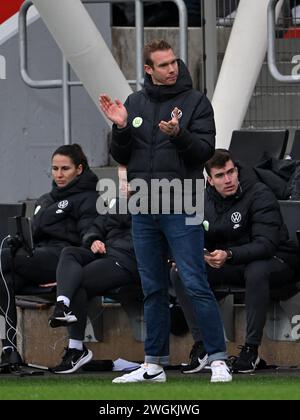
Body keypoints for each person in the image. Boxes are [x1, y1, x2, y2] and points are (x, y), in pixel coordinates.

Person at [99, 39, 232, 383]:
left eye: (174, 62)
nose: (172, 68)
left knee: (193, 281)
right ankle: (153, 364)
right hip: (144, 205)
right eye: (163, 64)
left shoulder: (195, 102)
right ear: (148, 70)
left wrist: (178, 134)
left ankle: (218, 358)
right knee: (153, 286)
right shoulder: (135, 102)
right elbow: (123, 156)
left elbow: (204, 151)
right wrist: (121, 127)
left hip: (183, 199)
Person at [171, 149, 298, 374]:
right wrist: (192, 255)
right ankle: (203, 345)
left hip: (276, 261)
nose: (228, 179)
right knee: (181, 271)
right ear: (209, 180)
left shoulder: (260, 194)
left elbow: (266, 244)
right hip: (229, 262)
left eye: (231, 172)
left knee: (257, 270)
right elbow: (186, 236)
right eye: (220, 175)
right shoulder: (198, 200)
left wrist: (229, 255)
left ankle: (251, 350)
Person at [0, 144, 98, 371]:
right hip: (37, 256)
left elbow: (88, 237)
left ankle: (9, 348)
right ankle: (9, 349)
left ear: (79, 169)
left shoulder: (89, 198)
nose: (59, 174)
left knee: (3, 259)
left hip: (63, 258)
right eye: (54, 169)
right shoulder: (47, 199)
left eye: (65, 168)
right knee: (4, 277)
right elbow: (31, 234)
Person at [48, 172, 140, 374]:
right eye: (123, 181)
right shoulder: (117, 203)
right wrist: (93, 240)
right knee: (69, 252)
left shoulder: (154, 205)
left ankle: (75, 349)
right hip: (104, 254)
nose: (125, 186)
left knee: (78, 281)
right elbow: (95, 227)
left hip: (126, 261)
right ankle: (62, 305)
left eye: (130, 181)